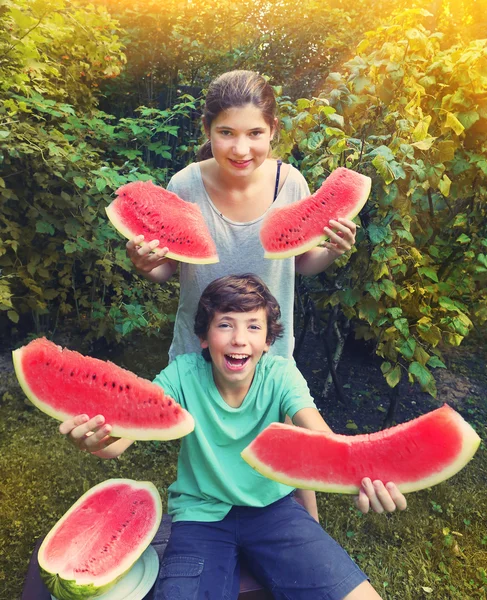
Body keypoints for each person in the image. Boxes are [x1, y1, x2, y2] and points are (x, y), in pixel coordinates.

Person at [60, 274, 407, 600]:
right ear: (203, 337)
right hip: (199, 517)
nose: (239, 338)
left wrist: (361, 476)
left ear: (268, 342)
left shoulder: (281, 375)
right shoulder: (182, 374)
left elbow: (319, 437)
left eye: (253, 327)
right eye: (225, 324)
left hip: (275, 512)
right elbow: (123, 436)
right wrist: (97, 440)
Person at [125, 70, 358, 363]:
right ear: (206, 128)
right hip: (195, 356)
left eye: (255, 133)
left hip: (267, 359)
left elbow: (300, 261)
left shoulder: (290, 183)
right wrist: (145, 265)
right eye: (226, 133)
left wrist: (332, 251)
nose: (241, 149)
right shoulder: (185, 184)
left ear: (272, 129)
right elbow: (168, 267)